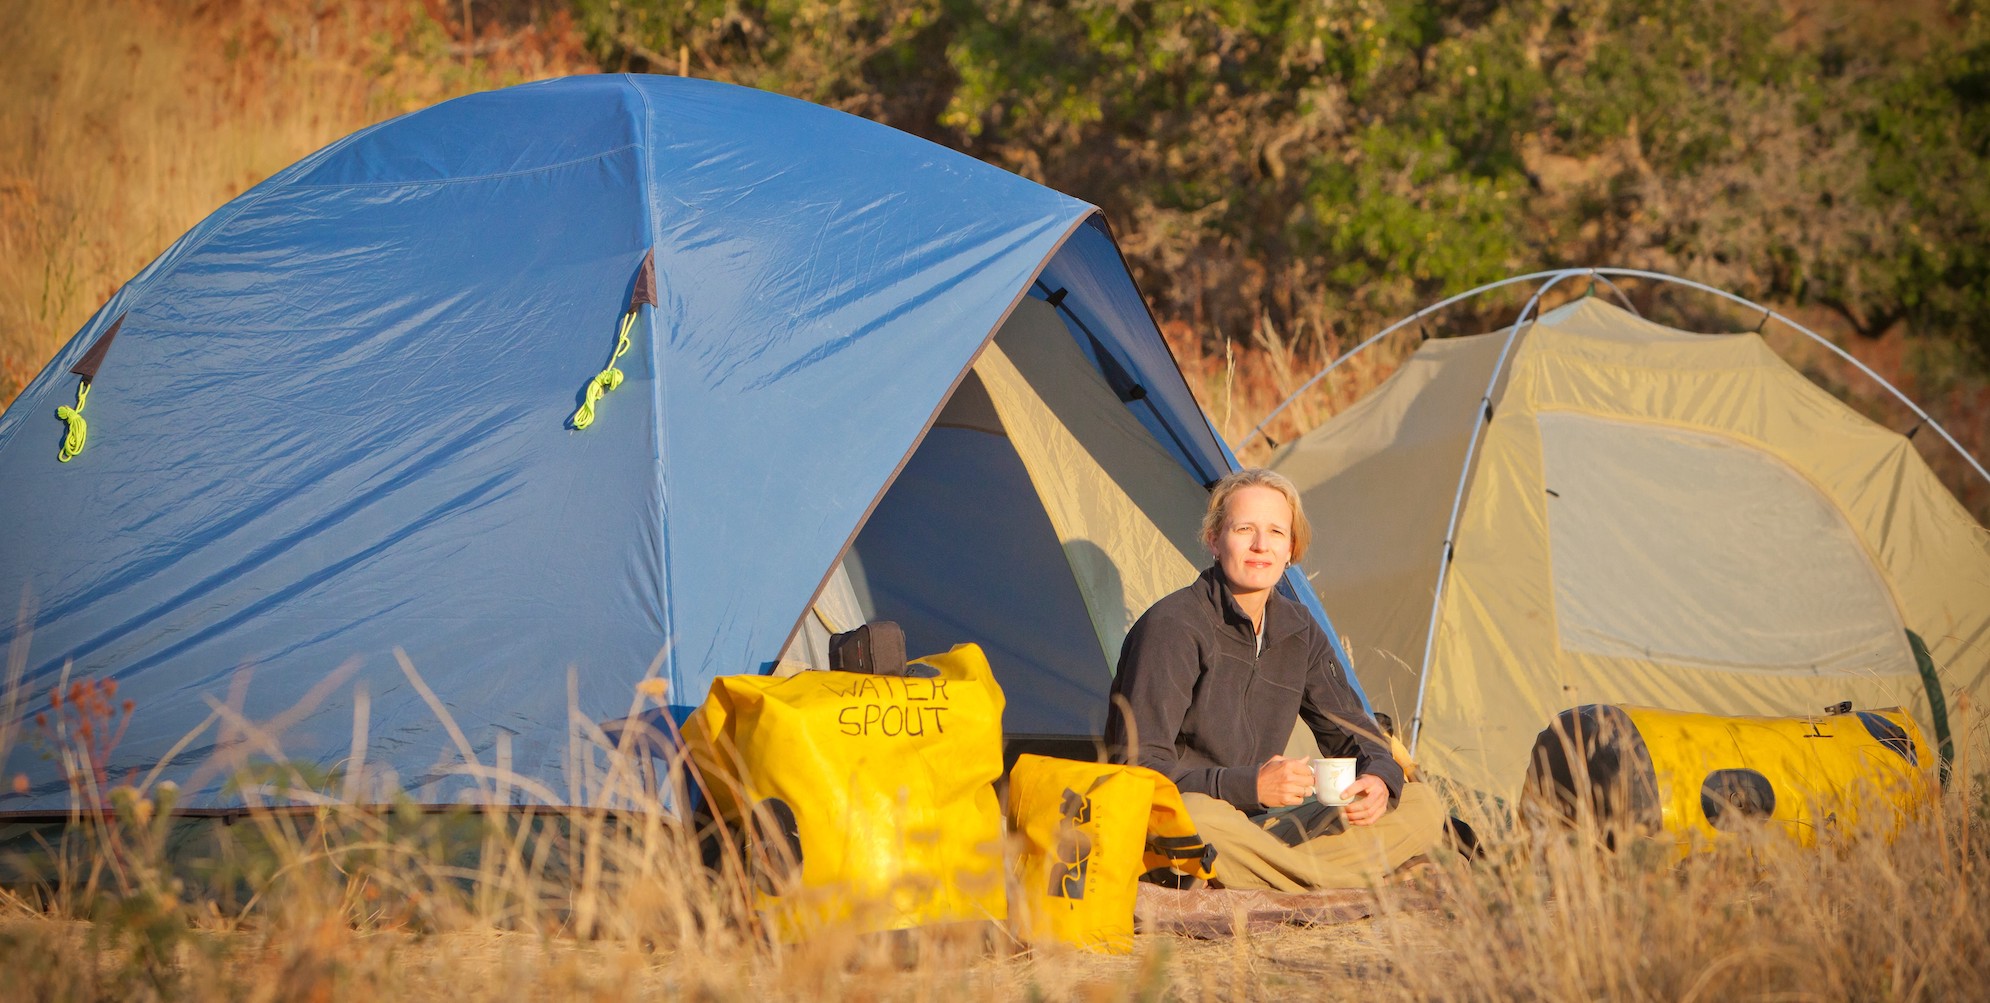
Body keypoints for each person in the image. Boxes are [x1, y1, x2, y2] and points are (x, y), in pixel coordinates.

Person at [1104, 468, 1444, 890]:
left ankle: (1272, 879)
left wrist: (1378, 778)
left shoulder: (1298, 629)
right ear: (1214, 539)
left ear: (1292, 549)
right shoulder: (1172, 626)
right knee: (1196, 816)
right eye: (1244, 529)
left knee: (1420, 803)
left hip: (1259, 833)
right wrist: (1252, 785)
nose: (1261, 546)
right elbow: (1138, 774)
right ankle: (1332, 880)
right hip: (1195, 825)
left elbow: (1358, 734)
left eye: (1276, 533)